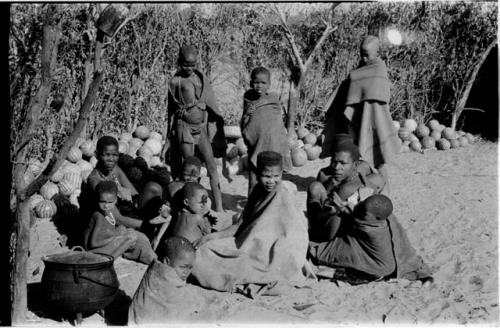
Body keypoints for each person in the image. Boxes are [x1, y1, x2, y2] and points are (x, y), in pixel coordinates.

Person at [191, 151, 314, 297]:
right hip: (250, 243)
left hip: (277, 250)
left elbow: (294, 232)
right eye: (266, 176)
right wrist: (211, 237)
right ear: (256, 173)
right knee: (203, 250)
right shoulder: (256, 190)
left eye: (276, 176)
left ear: (282, 174)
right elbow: (240, 224)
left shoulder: (282, 193)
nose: (271, 181)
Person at [321, 36, 400, 192]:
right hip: (358, 119)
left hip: (374, 120)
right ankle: (356, 188)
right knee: (357, 156)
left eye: (367, 54)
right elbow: (351, 88)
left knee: (378, 157)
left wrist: (354, 78)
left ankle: (384, 190)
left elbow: (375, 92)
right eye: (361, 54)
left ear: (377, 52)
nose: (363, 58)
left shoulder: (379, 69)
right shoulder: (361, 68)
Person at [309, 194, 433, 286]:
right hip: (387, 265)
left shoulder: (368, 229)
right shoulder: (386, 217)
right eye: (362, 205)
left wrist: (341, 208)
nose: (360, 209)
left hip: (377, 269)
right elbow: (356, 211)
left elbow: (351, 218)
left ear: (378, 217)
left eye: (364, 212)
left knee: (331, 253)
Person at [162, 45, 227, 212]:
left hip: (201, 129)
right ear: (179, 62)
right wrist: (168, 137)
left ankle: (219, 207)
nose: (189, 68)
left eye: (193, 65)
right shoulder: (175, 82)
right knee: (191, 170)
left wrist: (206, 118)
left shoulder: (200, 78)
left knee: (212, 166)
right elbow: (170, 111)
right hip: (185, 128)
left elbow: (208, 101)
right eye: (185, 64)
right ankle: (193, 206)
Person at [307, 135, 385, 241]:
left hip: (352, 221)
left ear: (355, 164)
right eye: (334, 161)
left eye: (343, 163)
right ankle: (315, 232)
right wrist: (329, 189)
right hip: (327, 218)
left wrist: (361, 186)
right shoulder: (324, 175)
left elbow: (379, 183)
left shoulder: (363, 169)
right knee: (315, 187)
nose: (337, 167)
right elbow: (322, 212)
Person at [82, 136, 164, 234]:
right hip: (108, 221)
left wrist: (159, 210)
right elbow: (116, 219)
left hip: (124, 211)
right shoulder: (95, 180)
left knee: (153, 188)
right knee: (129, 232)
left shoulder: (114, 169)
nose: (111, 159)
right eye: (107, 155)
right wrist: (146, 225)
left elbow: (134, 195)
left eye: (114, 155)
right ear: (96, 155)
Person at [128, 236, 213, 324]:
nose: (186, 272)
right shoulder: (165, 277)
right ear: (166, 261)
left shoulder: (154, 268)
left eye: (190, 268)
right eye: (183, 267)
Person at [241, 67, 291, 195]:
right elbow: (245, 121)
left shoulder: (273, 99)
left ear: (269, 84)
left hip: (274, 143)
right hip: (257, 143)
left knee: (273, 178)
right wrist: (247, 113)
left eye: (263, 83)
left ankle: (272, 203)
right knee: (253, 177)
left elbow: (277, 124)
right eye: (256, 82)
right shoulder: (248, 97)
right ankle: (251, 207)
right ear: (251, 82)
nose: (259, 86)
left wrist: (283, 140)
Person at [83, 181, 156, 265]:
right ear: (97, 200)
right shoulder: (98, 216)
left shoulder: (108, 213)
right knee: (131, 237)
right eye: (102, 202)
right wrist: (117, 236)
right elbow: (94, 243)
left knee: (125, 230)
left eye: (109, 202)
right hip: (92, 252)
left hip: (102, 247)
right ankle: (108, 261)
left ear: (115, 200)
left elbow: (107, 232)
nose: (106, 205)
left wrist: (119, 231)